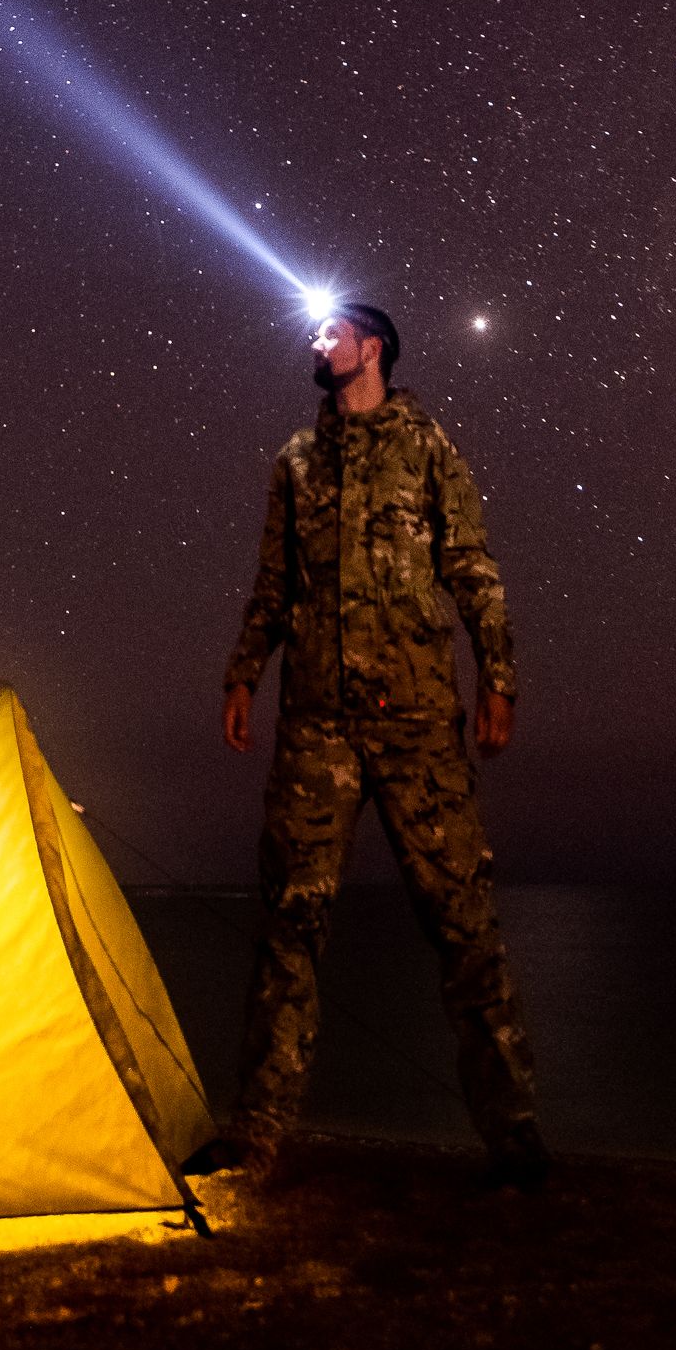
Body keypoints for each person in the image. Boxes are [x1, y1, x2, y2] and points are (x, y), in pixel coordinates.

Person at [199, 298, 546, 1190]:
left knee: (464, 924)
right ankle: (258, 1132)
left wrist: (497, 676)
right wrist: (244, 672)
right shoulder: (297, 462)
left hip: (418, 718)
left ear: (374, 346)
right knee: (289, 923)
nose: (316, 344)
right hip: (316, 721)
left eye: (331, 332)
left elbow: (472, 564)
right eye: (314, 335)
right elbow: (274, 581)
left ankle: (515, 1138)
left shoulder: (428, 446)